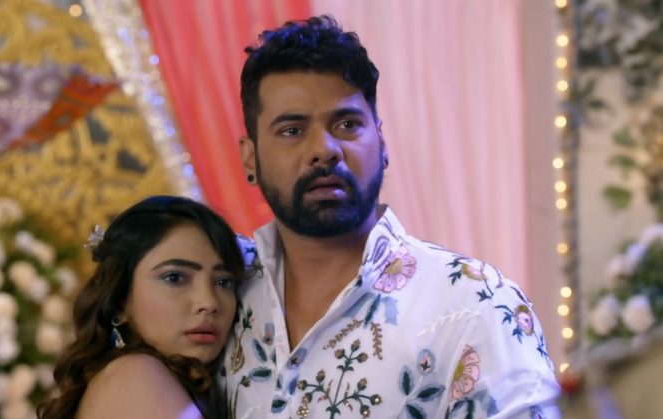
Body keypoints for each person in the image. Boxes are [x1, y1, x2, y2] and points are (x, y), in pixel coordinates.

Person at [219, 15, 562, 418]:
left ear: (381, 142)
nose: (324, 149)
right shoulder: (220, 302)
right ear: (250, 157)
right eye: (292, 130)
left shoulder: (475, 304)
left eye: (346, 124)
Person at [37, 196, 245, 419]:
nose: (209, 303)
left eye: (223, 282)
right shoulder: (135, 374)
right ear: (119, 301)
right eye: (174, 278)